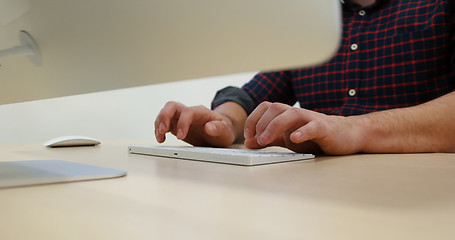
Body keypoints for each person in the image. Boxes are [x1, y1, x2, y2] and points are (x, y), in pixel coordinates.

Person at [155, 0, 455, 155]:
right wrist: (221, 123)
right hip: (320, 197)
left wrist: (355, 129)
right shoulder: (313, 28)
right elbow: (250, 97)